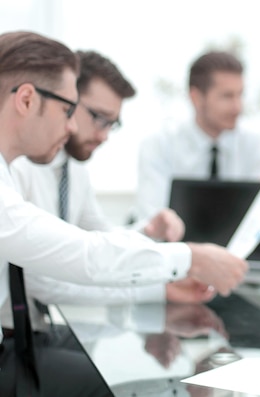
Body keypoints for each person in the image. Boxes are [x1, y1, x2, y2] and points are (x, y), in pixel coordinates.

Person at [0, 31, 248, 396]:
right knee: (112, 381)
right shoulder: (18, 173)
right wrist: (189, 258)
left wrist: (148, 236)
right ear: (26, 99)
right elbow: (77, 257)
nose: (72, 127)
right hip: (14, 340)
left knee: (135, 368)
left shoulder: (46, 169)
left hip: (29, 329)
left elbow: (93, 240)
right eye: (70, 110)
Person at [3, 50, 206, 332]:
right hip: (19, 336)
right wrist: (180, 267)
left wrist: (148, 232)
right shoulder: (20, 166)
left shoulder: (74, 171)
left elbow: (97, 239)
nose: (104, 135)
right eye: (99, 118)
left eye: (112, 123)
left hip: (46, 327)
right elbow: (44, 278)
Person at [134, 50, 260, 221]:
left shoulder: (254, 146)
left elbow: (258, 220)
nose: (237, 107)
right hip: (174, 246)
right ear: (196, 98)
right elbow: (152, 219)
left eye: (240, 95)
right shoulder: (159, 146)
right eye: (227, 96)